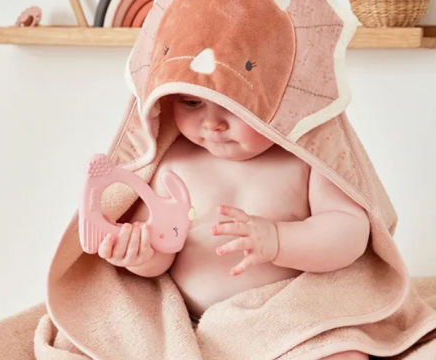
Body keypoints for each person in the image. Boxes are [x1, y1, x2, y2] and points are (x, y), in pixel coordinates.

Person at [98, 93, 371, 360]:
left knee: (344, 353)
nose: (212, 123)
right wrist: (140, 255)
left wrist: (279, 240)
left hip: (291, 322)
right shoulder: (171, 160)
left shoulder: (308, 156)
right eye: (192, 103)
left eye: (235, 105)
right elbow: (161, 248)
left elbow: (349, 232)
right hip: (199, 327)